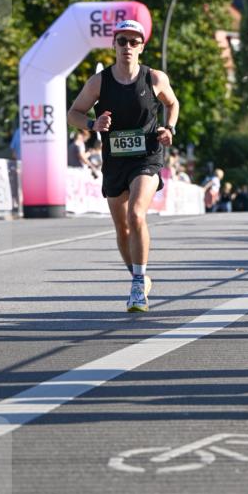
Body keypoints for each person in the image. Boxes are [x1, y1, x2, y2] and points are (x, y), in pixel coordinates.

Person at [67, 19, 179, 312]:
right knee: (122, 227)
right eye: (122, 41)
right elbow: (74, 113)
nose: (127, 47)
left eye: (133, 42)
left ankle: (138, 284)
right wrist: (93, 124)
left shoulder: (154, 78)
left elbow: (172, 103)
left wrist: (170, 129)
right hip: (114, 161)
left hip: (147, 156)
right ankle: (138, 275)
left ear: (142, 47)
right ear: (114, 45)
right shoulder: (99, 81)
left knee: (136, 214)